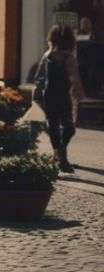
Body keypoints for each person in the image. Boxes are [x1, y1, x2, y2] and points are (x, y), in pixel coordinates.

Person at [34, 25, 85, 173]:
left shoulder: (47, 55)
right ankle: (62, 155)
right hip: (63, 96)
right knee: (69, 127)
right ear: (70, 40)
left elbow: (38, 77)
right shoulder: (69, 57)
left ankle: (59, 153)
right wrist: (79, 92)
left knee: (53, 126)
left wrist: (36, 96)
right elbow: (75, 77)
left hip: (48, 95)